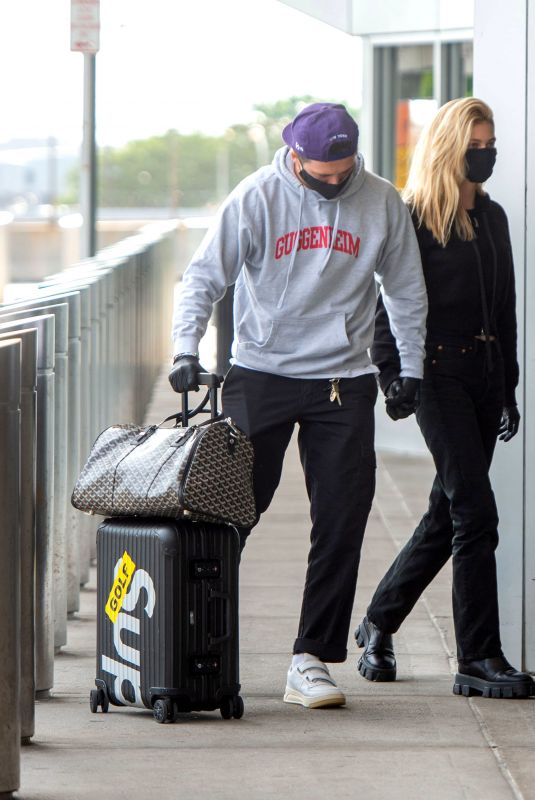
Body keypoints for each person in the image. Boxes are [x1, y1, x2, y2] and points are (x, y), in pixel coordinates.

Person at [169, 102, 427, 708]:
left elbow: (406, 288)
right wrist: (185, 348)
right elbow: (205, 275)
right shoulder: (258, 196)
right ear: (294, 156)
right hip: (262, 374)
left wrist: (409, 370)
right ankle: (192, 639)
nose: (335, 183)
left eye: (345, 172)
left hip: (345, 379)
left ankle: (310, 658)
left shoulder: (382, 201)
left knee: (342, 518)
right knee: (230, 512)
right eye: (321, 173)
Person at [356, 97, 535, 699]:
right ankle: (478, 657)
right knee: (475, 513)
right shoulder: (413, 219)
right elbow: (390, 308)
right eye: (476, 145)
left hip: (484, 376)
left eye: (490, 144)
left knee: (448, 512)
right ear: (449, 148)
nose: (485, 154)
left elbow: (504, 309)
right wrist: (392, 375)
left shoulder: (495, 217)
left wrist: (508, 386)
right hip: (437, 376)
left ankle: (378, 622)